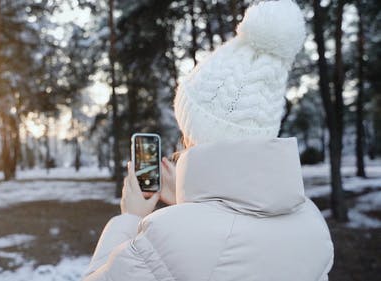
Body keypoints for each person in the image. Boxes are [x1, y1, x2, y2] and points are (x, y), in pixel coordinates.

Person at [83, 0, 334, 280]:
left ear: (195, 136)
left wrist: (130, 218)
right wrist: (189, 204)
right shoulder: (313, 225)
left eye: (185, 131)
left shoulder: (166, 238)